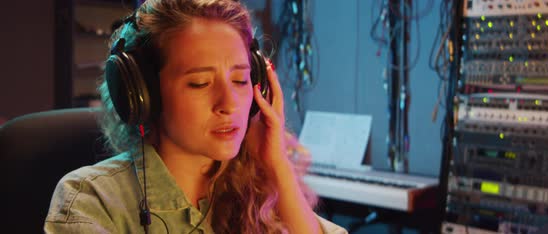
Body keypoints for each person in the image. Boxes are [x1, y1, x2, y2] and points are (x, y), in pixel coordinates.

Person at [44, 0, 347, 233]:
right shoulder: (92, 200)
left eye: (240, 81)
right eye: (200, 83)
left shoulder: (261, 193)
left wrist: (277, 165)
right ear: (144, 93)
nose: (229, 103)